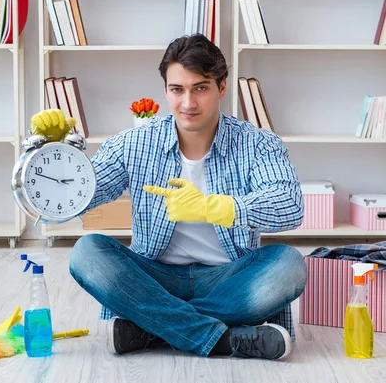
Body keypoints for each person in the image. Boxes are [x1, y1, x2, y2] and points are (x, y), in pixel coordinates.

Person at [29, 33, 308, 361]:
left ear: (222, 87)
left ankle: (151, 327)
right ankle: (224, 340)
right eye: (178, 90)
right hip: (154, 276)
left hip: (229, 277)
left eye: (200, 88)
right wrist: (52, 151)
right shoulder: (133, 144)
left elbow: (290, 205)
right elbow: (78, 200)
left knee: (289, 264)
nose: (188, 103)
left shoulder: (257, 143)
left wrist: (213, 207)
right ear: (166, 91)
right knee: (87, 253)